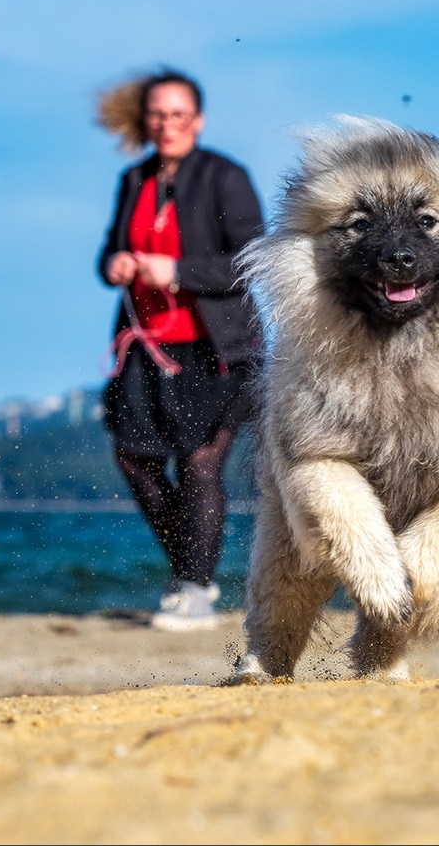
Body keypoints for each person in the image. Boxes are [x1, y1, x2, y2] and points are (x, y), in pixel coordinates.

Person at [94, 68, 264, 631]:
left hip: (215, 347)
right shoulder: (133, 178)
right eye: (158, 115)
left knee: (199, 461)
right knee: (134, 457)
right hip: (143, 346)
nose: (168, 125)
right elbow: (107, 255)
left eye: (179, 114)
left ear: (199, 120)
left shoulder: (225, 176)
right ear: (147, 120)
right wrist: (116, 263)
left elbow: (252, 261)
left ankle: (194, 590)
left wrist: (180, 271)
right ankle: (190, 572)